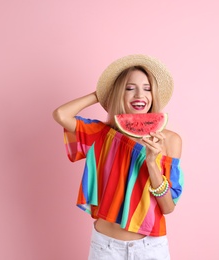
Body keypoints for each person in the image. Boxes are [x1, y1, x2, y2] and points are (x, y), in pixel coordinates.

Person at [52, 54, 184, 260]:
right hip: (105, 248)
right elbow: (61, 115)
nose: (140, 94)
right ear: (118, 93)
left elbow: (168, 207)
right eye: (129, 88)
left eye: (147, 88)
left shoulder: (170, 140)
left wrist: (151, 162)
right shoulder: (102, 134)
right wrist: (100, 93)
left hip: (150, 249)